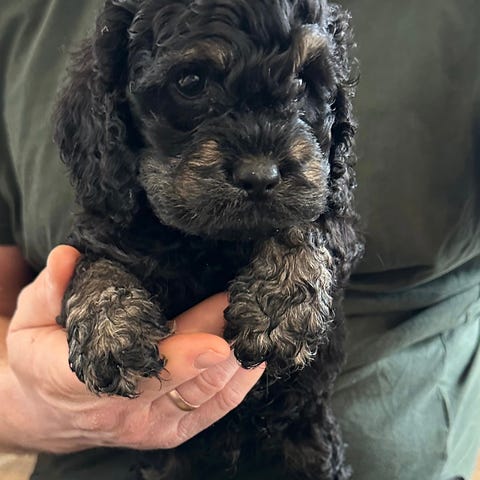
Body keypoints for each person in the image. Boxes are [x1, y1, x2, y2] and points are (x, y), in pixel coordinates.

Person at [0, 1, 479, 479]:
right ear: (119, 105)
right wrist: (34, 402)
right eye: (192, 85)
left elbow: (335, 222)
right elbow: (89, 256)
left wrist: (304, 259)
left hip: (297, 450)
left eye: (302, 86)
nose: (261, 168)